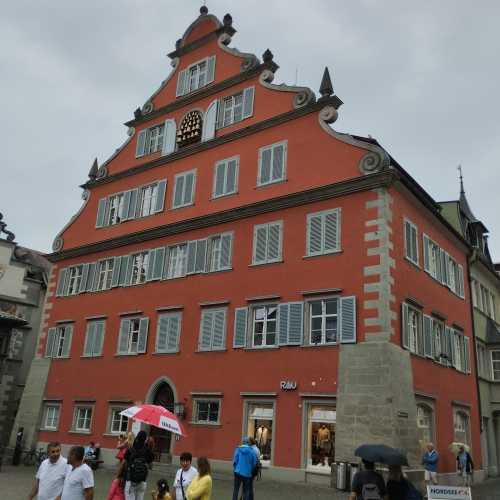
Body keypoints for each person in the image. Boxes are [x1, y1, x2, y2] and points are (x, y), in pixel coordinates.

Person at [124, 430, 154, 500]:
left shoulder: (131, 449)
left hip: (130, 480)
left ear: (137, 437)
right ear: (145, 439)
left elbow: (125, 463)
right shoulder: (147, 451)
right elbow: (151, 466)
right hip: (142, 481)